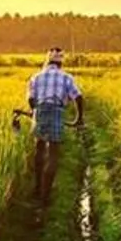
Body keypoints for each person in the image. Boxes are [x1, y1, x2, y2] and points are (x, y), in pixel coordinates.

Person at [26, 47, 85, 210]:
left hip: (40, 110)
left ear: (47, 61)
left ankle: (37, 188)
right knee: (53, 153)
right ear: (60, 63)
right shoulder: (66, 77)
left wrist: (34, 112)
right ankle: (45, 197)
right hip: (57, 111)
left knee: (39, 148)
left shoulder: (36, 77)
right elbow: (78, 97)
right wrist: (79, 118)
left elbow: (31, 99)